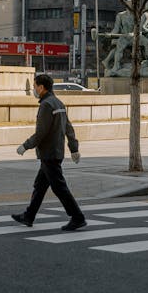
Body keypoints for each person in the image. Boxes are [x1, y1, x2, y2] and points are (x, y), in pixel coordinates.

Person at [11, 73, 87, 231]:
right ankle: (29, 216)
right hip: (55, 152)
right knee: (40, 186)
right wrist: (74, 148)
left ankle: (77, 217)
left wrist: (25, 146)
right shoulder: (58, 103)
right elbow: (69, 127)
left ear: (41, 87)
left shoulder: (46, 105)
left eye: (34, 86)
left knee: (59, 188)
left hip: (49, 154)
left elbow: (41, 133)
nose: (33, 89)